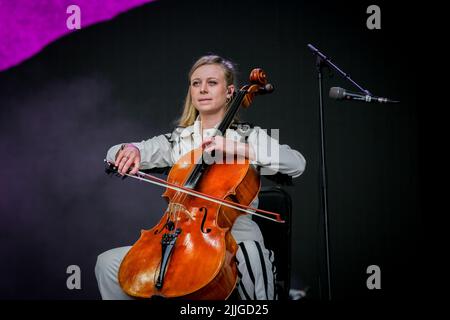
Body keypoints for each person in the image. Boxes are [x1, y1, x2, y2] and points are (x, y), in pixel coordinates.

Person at [95, 55, 306, 300]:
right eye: (196, 83)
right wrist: (130, 149)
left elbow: (297, 164)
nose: (203, 89)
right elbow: (115, 152)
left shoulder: (249, 137)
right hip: (181, 239)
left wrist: (236, 148)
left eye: (211, 83)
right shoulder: (180, 140)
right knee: (108, 263)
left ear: (230, 92)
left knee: (251, 256)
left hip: (235, 237)